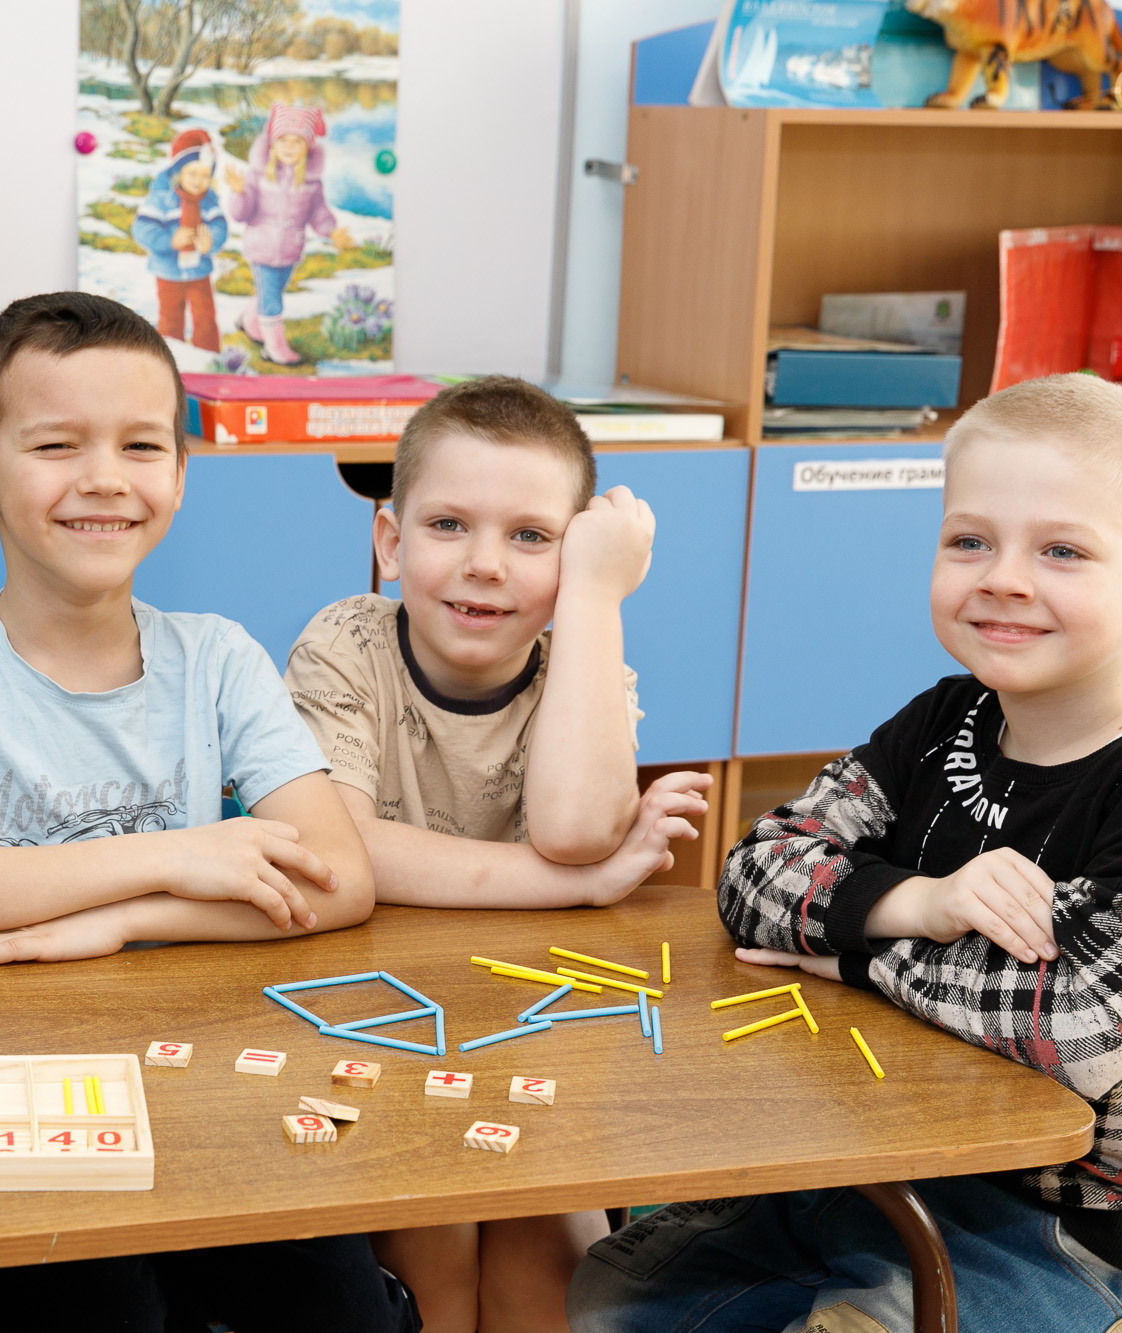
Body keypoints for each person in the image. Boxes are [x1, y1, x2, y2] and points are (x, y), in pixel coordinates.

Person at [572, 373, 1122, 1332]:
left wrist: (853, 954)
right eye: (970, 540)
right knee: (610, 1299)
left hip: (1072, 1224)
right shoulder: (945, 718)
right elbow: (754, 872)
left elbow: (1081, 1028)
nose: (1003, 577)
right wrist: (917, 903)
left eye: (1062, 550)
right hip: (878, 1157)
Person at [0, 289, 413, 1332]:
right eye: (57, 444)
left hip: (212, 1074)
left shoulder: (218, 657)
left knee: (347, 1309)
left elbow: (340, 879)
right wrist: (176, 855)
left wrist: (115, 921)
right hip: (23, 1097)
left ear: (180, 475)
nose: (105, 477)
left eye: (142, 445)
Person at [284, 375, 712, 1333]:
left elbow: (574, 830)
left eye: (531, 537)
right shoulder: (344, 644)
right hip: (371, 1024)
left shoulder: (584, 667)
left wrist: (595, 592)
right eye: (448, 525)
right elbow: (338, 853)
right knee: (432, 1247)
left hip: (535, 1031)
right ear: (390, 542)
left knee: (550, 1264)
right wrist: (583, 888)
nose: (484, 565)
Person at [222, 103, 353, 366]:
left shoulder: (311, 183)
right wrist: (238, 192)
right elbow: (240, 214)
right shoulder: (258, 176)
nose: (289, 147)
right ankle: (274, 348)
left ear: (308, 147)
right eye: (283, 140)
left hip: (291, 249)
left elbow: (319, 213)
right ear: (272, 144)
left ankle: (248, 320)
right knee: (272, 299)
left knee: (271, 290)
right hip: (262, 247)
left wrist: (332, 230)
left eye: (297, 141)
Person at [131, 126, 228, 353]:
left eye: (205, 175)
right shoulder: (162, 200)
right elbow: (143, 228)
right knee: (170, 317)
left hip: (199, 271)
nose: (198, 181)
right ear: (178, 172)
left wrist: (211, 242)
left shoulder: (208, 201)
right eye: (192, 173)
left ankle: (208, 356)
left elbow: (219, 226)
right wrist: (169, 241)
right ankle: (171, 357)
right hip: (168, 272)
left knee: (205, 317)